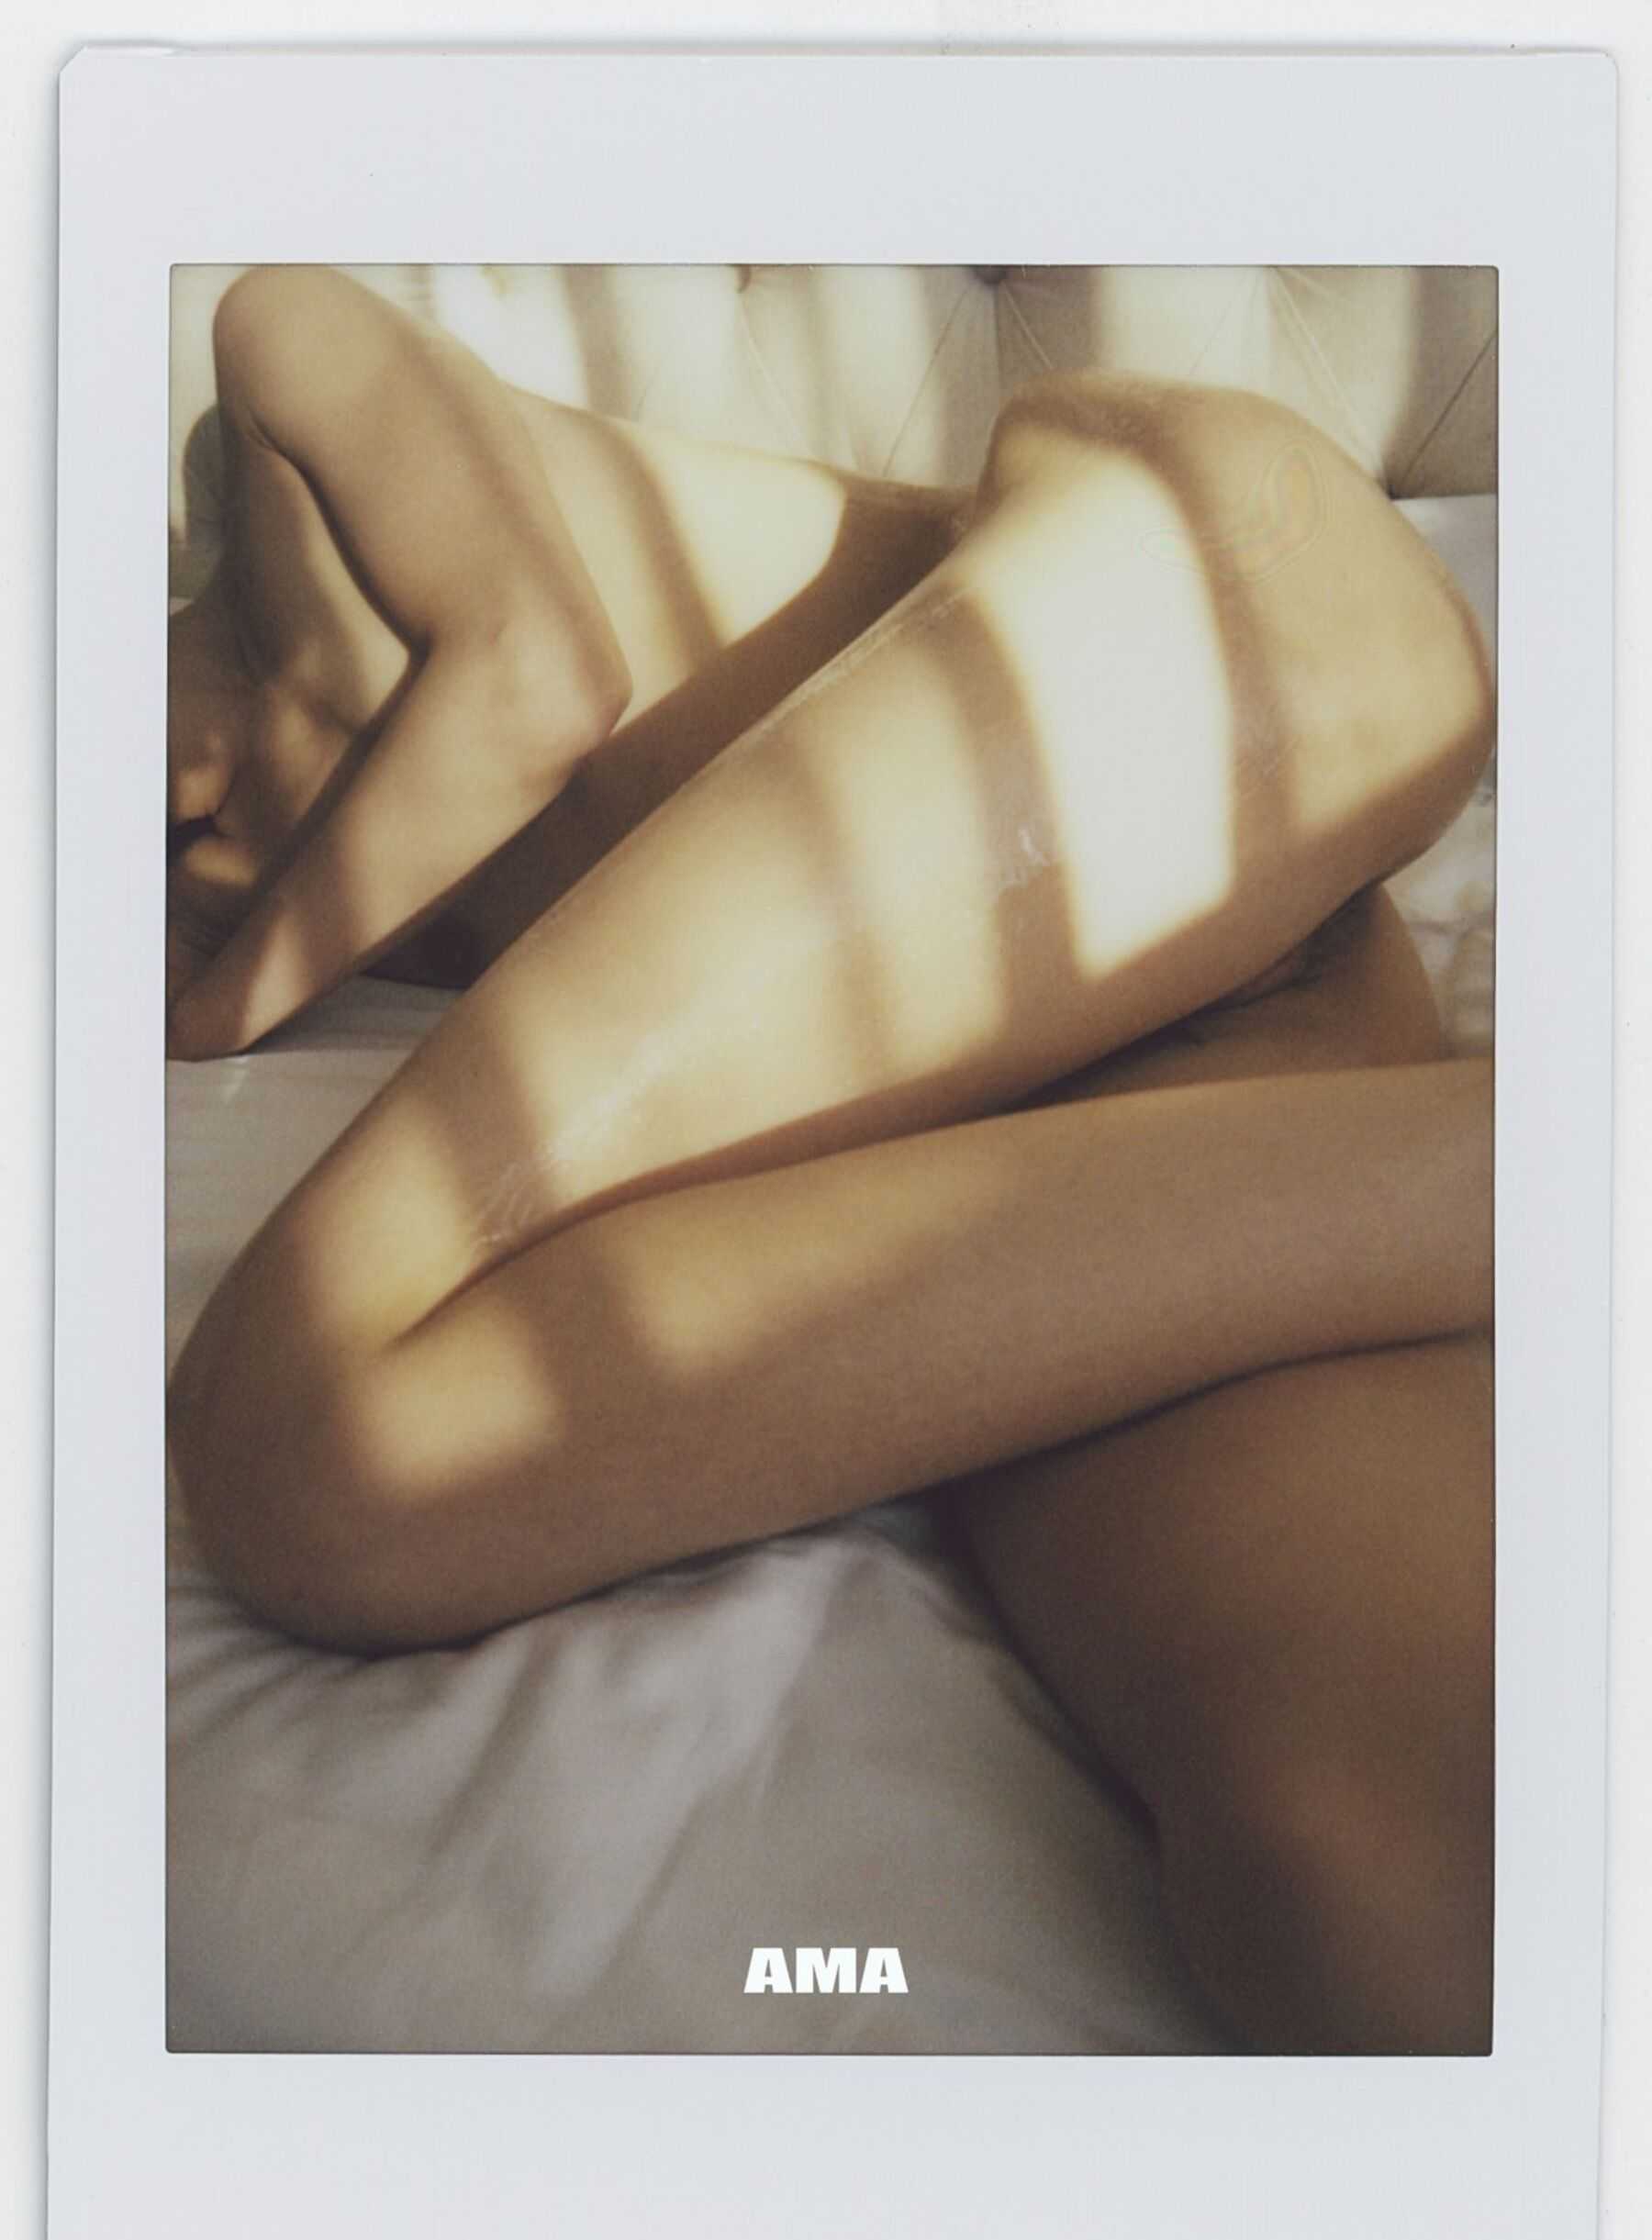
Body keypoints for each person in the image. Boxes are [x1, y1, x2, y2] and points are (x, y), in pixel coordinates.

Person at [166, 264, 1497, 2055]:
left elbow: (530, 682)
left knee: (316, 1445)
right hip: (1155, 1010)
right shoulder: (271, 856)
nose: (154, 827)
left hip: (1189, 624)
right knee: (1369, 1877)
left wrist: (219, 985)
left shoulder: (275, 365)